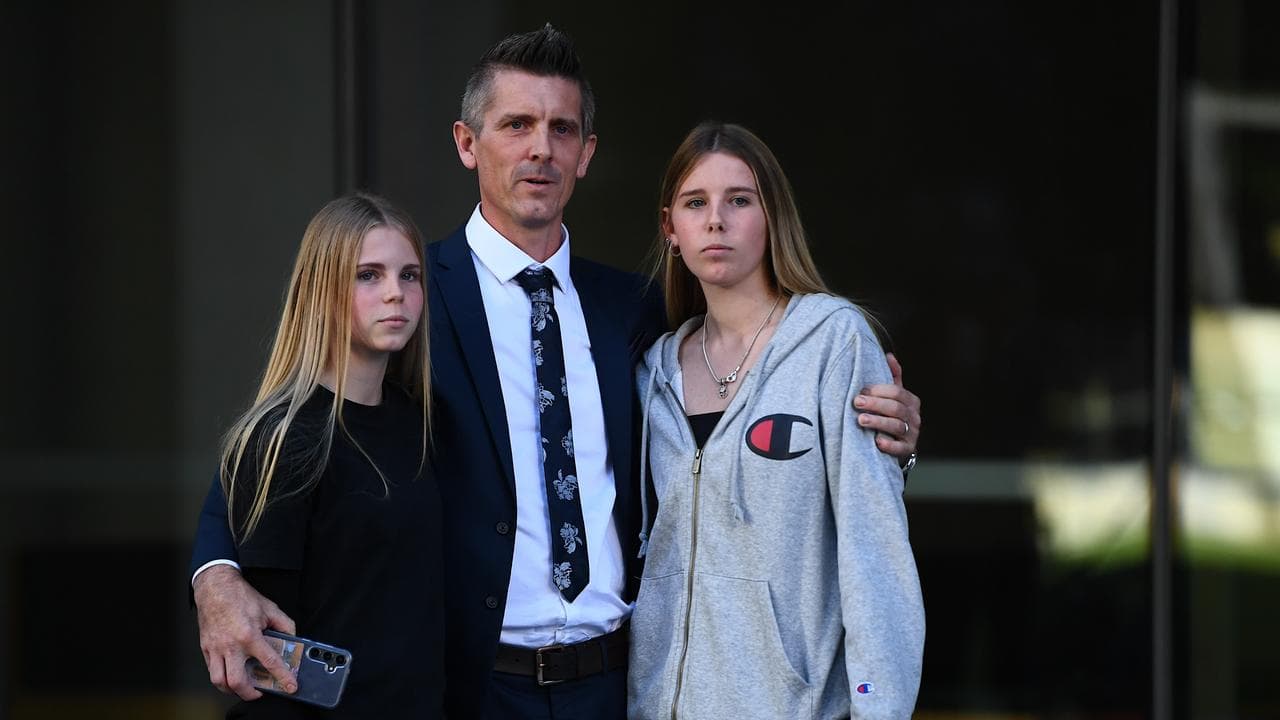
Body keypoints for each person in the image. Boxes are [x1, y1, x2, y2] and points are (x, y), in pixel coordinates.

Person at [188, 24, 922, 719]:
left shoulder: (636, 312)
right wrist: (216, 571)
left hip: (618, 685)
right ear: (467, 143)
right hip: (477, 688)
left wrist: (885, 428)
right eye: (516, 126)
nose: (541, 149)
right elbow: (296, 425)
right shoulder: (415, 294)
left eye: (561, 129)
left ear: (587, 152)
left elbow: (749, 380)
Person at [627, 122, 925, 718]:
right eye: (696, 203)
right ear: (672, 229)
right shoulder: (650, 374)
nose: (716, 220)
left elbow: (876, 556)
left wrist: (878, 708)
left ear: (772, 218)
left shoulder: (832, 342)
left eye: (740, 200)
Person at [214, 192, 443, 718]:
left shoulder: (425, 423)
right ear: (323, 289)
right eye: (369, 275)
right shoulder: (284, 438)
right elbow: (265, 661)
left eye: (410, 276)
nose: (395, 295)